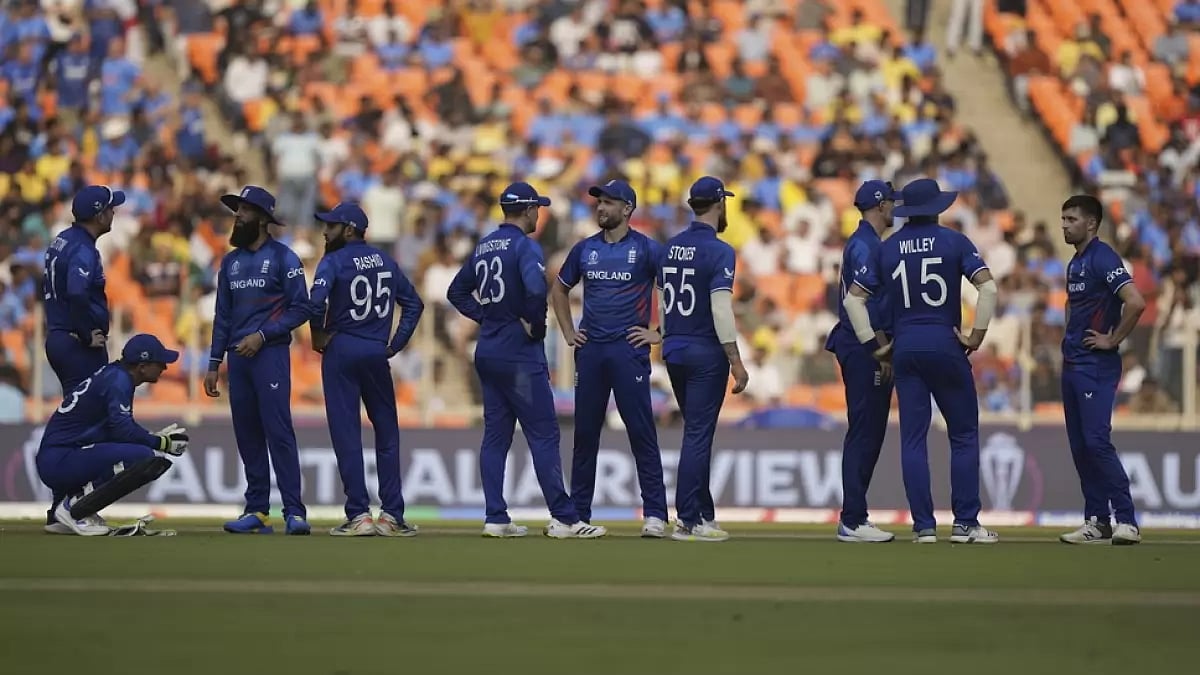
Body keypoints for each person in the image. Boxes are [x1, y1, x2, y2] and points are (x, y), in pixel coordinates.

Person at [446, 181, 607, 539]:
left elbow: (456, 291)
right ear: (528, 210)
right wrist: (535, 325)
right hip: (519, 354)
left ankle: (495, 517)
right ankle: (565, 518)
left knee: (495, 437)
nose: (539, 214)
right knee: (544, 435)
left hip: (487, 351)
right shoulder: (525, 247)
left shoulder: (484, 245)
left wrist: (486, 317)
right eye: (537, 208)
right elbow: (537, 290)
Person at [844, 178, 999, 544]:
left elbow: (853, 300)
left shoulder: (887, 248)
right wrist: (976, 337)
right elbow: (988, 288)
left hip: (906, 347)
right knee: (963, 435)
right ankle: (965, 524)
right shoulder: (955, 241)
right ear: (938, 208)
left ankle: (924, 526)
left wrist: (872, 345)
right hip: (945, 342)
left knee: (913, 438)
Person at [549, 179, 669, 537]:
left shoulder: (647, 250)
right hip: (592, 352)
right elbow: (559, 289)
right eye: (599, 202)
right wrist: (569, 332)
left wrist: (658, 332)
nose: (601, 208)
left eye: (609, 203)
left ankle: (656, 515)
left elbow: (677, 288)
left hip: (628, 350)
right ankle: (578, 515)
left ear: (627, 208)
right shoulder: (585, 250)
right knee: (585, 434)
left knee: (641, 431)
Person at [307, 202, 425, 537]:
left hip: (342, 348)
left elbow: (315, 304)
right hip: (375, 351)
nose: (324, 231)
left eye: (330, 226)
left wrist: (317, 333)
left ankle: (359, 514)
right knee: (387, 432)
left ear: (348, 229)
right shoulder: (386, 261)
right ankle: (391, 515)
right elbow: (414, 304)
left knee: (347, 434)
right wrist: (394, 345)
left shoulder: (332, 261)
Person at [204, 186, 312, 536]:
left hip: (270, 355)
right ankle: (257, 510)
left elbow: (302, 308)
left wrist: (263, 335)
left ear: (264, 220)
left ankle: (294, 512)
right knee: (247, 433)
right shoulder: (230, 262)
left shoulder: (284, 258)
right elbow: (223, 316)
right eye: (236, 211)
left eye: (245, 211)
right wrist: (212, 361)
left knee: (278, 432)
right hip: (238, 360)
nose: (237, 217)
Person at [658, 176, 749, 542]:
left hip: (674, 348)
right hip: (704, 350)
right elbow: (720, 308)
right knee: (698, 434)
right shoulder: (720, 250)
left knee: (697, 431)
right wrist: (736, 360)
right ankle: (688, 519)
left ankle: (704, 514)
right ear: (719, 204)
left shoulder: (670, 246)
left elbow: (664, 300)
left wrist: (664, 337)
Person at [1057, 195, 1146, 545]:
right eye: (1062, 219)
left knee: (1096, 442)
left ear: (1091, 223)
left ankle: (1127, 520)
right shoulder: (1075, 263)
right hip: (1073, 363)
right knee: (1080, 446)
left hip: (1096, 364)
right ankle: (1097, 520)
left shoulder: (1103, 257)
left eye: (1071, 219)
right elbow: (1071, 304)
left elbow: (1136, 302)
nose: (1064, 225)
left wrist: (1113, 340)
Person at [37, 334, 190, 536]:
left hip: (60, 456)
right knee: (144, 458)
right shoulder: (119, 380)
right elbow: (123, 430)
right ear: (142, 366)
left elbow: (114, 430)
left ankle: (69, 513)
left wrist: (151, 438)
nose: (165, 367)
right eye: (159, 362)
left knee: (144, 454)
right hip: (60, 459)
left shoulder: (115, 375)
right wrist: (160, 442)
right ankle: (73, 509)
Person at [41, 184, 125, 528]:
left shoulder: (63, 239)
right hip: (77, 345)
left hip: (60, 338)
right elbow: (76, 293)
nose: (114, 213)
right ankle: (74, 506)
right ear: (98, 214)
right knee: (90, 425)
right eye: (110, 208)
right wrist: (85, 330)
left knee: (79, 421)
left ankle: (62, 507)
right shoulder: (83, 250)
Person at [824, 180, 897, 543]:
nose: (895, 209)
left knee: (868, 431)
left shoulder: (863, 243)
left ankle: (855, 515)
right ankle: (853, 518)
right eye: (891, 203)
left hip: (859, 344)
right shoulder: (868, 246)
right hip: (864, 347)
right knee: (864, 432)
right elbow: (863, 306)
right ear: (881, 206)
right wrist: (880, 349)